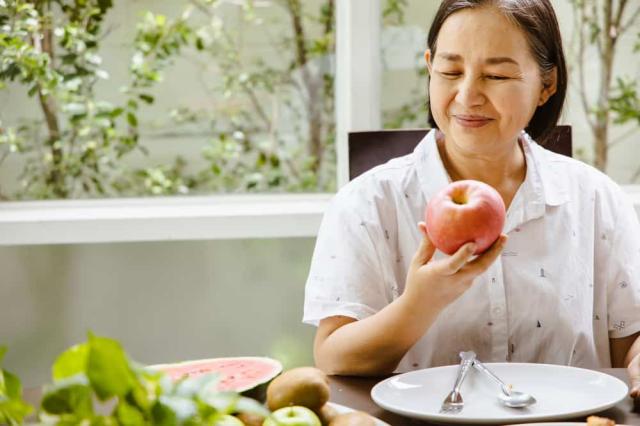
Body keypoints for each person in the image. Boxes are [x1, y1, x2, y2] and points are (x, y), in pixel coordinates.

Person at [302, 0, 640, 397]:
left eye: (496, 75)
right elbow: (334, 357)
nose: (467, 96)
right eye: (450, 71)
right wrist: (419, 304)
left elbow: (630, 336)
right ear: (429, 66)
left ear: (547, 85)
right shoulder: (367, 203)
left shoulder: (596, 198)